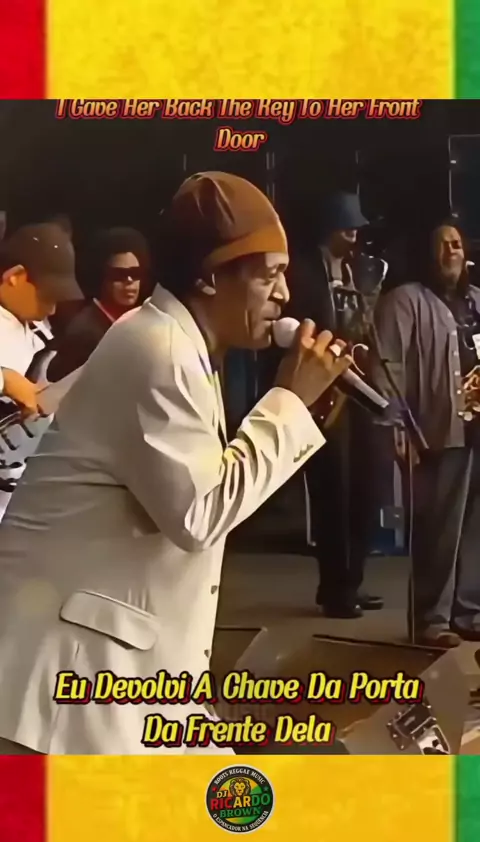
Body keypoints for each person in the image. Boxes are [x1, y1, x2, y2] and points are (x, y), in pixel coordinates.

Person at [0, 172, 351, 755]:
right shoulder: (158, 349)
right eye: (268, 275)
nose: (285, 295)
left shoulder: (178, 344)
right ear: (210, 276)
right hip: (67, 676)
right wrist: (288, 402)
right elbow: (198, 513)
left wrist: (301, 412)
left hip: (118, 672)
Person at [372, 220, 480, 647]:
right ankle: (431, 619)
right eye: (442, 245)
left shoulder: (475, 301)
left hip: (477, 431)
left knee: (475, 527)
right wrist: (396, 424)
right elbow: (388, 365)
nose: (451, 250)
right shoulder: (405, 301)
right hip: (436, 430)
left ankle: (468, 612)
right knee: (438, 528)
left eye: (457, 244)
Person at [288, 191, 383, 618]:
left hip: (359, 388)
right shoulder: (304, 274)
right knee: (333, 491)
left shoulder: (359, 270)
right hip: (325, 393)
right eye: (347, 227)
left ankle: (353, 581)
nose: (354, 234)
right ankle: (335, 588)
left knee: (364, 486)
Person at [0, 223, 83, 520]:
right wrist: (5, 379)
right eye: (46, 296)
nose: (52, 309)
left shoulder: (37, 330)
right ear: (15, 277)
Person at [47, 227, 151, 381]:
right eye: (119, 275)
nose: (129, 281)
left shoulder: (133, 323)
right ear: (101, 276)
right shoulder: (84, 333)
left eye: (135, 273)